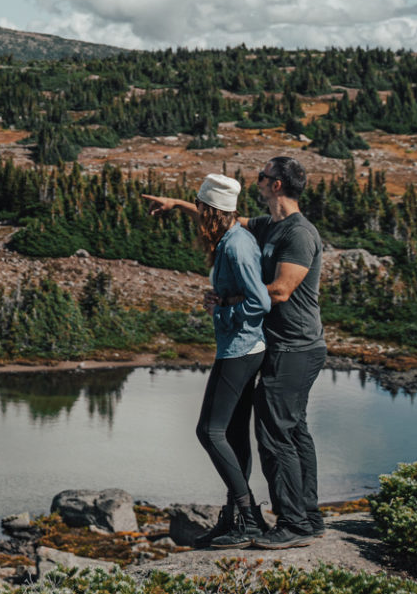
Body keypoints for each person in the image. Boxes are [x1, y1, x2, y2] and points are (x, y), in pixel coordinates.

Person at [140, 172, 271, 548]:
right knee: (232, 434)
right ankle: (234, 518)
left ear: (213, 211)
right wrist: (176, 204)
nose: (197, 214)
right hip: (242, 347)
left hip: (240, 350)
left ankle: (247, 517)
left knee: (208, 431)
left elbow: (259, 301)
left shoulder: (236, 247)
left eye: (200, 208)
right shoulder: (231, 233)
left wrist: (225, 303)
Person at [241, 155, 326, 548]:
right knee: (295, 430)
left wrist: (228, 299)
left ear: (276, 185)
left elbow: (280, 291)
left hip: (295, 348)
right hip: (290, 346)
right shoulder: (270, 226)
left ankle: (293, 524)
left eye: (261, 176)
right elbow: (231, 223)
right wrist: (180, 206)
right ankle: (309, 516)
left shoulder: (299, 233)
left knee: (274, 434)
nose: (256, 180)